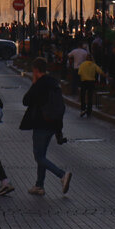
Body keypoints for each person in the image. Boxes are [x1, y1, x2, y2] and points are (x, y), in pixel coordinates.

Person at [20, 57, 71, 196]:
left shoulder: (40, 84)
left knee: (39, 157)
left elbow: (26, 100)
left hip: (41, 123)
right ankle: (39, 185)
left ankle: (62, 175)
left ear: (36, 70)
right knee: (42, 155)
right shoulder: (54, 83)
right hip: (53, 124)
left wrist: (34, 83)